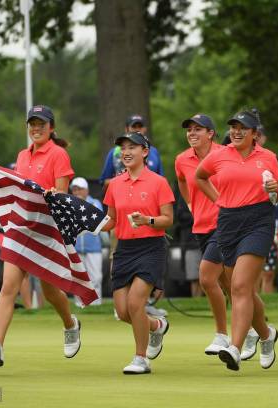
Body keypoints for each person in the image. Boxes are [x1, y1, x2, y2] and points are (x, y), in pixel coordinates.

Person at [0, 105, 81, 367]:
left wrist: (50, 195)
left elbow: (63, 195)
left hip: (47, 229)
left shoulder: (59, 154)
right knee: (8, 288)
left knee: (50, 292)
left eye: (41, 124)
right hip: (21, 228)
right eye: (32, 124)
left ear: (51, 128)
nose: (36, 128)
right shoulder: (22, 156)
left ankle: (70, 324)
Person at [196, 109, 278, 371]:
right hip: (228, 221)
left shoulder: (268, 157)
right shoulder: (219, 155)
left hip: (258, 221)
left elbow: (276, 192)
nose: (236, 131)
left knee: (241, 286)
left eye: (243, 127)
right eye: (233, 126)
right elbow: (200, 177)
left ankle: (234, 347)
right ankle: (266, 335)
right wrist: (218, 199)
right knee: (240, 288)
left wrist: (273, 189)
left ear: (255, 133)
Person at [100, 131, 174, 374]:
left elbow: (167, 220)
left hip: (150, 248)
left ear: (145, 152)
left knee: (135, 304)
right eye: (123, 147)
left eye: (133, 147)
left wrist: (146, 220)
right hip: (124, 249)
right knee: (122, 312)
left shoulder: (158, 182)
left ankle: (140, 358)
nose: (127, 151)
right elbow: (111, 219)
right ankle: (156, 326)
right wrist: (91, 226)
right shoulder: (114, 184)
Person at [175, 113, 231, 354]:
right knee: (229, 285)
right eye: (189, 129)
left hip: (226, 225)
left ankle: (222, 335)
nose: (192, 133)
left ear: (211, 133)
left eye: (198, 129)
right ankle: (260, 331)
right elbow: (182, 182)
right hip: (201, 226)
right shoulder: (181, 160)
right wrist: (190, 204)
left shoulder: (226, 154)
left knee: (206, 278)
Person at [100, 114, 164, 188]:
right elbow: (104, 182)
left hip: (149, 195)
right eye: (134, 127)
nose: (137, 130)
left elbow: (161, 179)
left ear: (145, 129)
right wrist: (124, 179)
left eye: (140, 126)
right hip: (122, 195)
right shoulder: (115, 152)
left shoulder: (153, 151)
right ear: (126, 129)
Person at [70, 177, 105, 306]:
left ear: (86, 190)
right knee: (78, 277)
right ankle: (80, 304)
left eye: (79, 189)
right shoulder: (70, 203)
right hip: (76, 248)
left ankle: (96, 303)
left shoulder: (95, 203)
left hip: (94, 247)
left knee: (96, 276)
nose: (77, 191)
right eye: (74, 189)